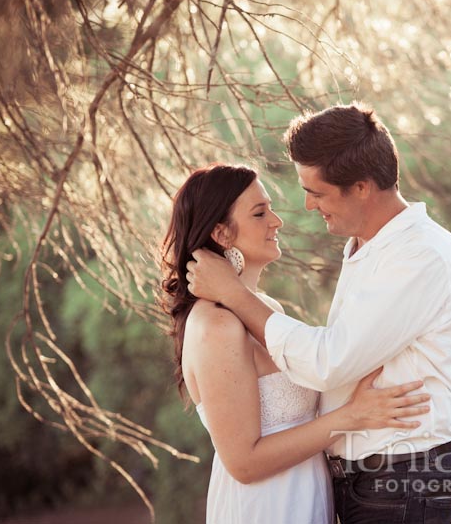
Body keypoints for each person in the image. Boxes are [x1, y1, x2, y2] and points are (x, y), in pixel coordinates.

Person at [185, 104, 451, 524]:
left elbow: (328, 362)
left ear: (360, 187)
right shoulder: (369, 249)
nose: (304, 207)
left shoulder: (419, 256)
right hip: (349, 485)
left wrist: (233, 292)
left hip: (401, 480)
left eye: (316, 192)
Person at [160, 163, 431, 524]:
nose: (277, 221)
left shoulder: (268, 310)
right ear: (222, 234)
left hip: (309, 493)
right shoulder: (215, 325)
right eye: (260, 213)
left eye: (270, 208)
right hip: (265, 506)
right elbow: (243, 462)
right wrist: (352, 416)